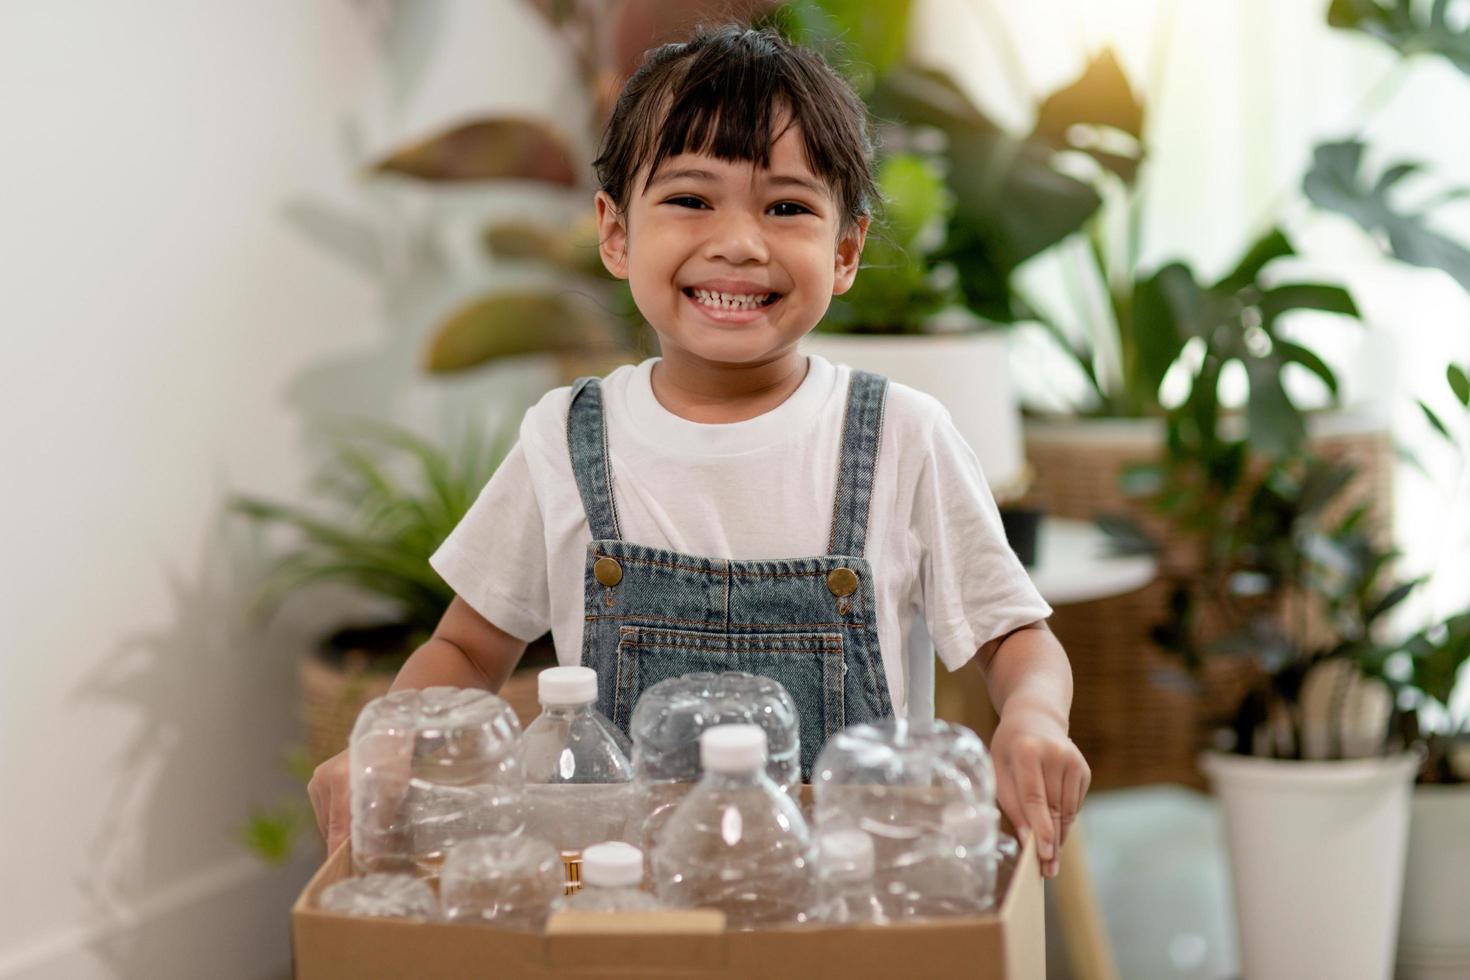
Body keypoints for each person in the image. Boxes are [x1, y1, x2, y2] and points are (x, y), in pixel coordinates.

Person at [309, 22, 1088, 880]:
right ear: (615, 233)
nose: (739, 242)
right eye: (690, 199)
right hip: (631, 907)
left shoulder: (902, 436)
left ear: (846, 250)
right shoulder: (566, 441)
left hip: (844, 911)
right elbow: (464, 652)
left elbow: (1017, 638)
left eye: (787, 206)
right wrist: (386, 741)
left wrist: (1035, 720)